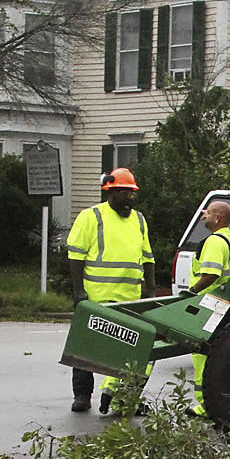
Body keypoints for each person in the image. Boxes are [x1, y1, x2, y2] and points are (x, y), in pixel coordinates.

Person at [66, 168, 154, 414]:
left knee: (128, 350)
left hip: (130, 298)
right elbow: (76, 257)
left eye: (131, 194)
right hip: (97, 296)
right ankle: (82, 395)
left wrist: (150, 291)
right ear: (110, 192)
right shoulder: (91, 217)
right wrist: (78, 292)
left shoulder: (139, 220)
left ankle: (117, 395)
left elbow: (148, 258)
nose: (129, 199)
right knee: (86, 348)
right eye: (124, 193)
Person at [183, 199, 230, 417]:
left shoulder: (215, 241)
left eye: (207, 213)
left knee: (201, 355)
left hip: (208, 303)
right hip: (222, 303)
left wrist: (191, 292)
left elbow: (211, 274)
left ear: (217, 218)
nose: (203, 216)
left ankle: (205, 405)